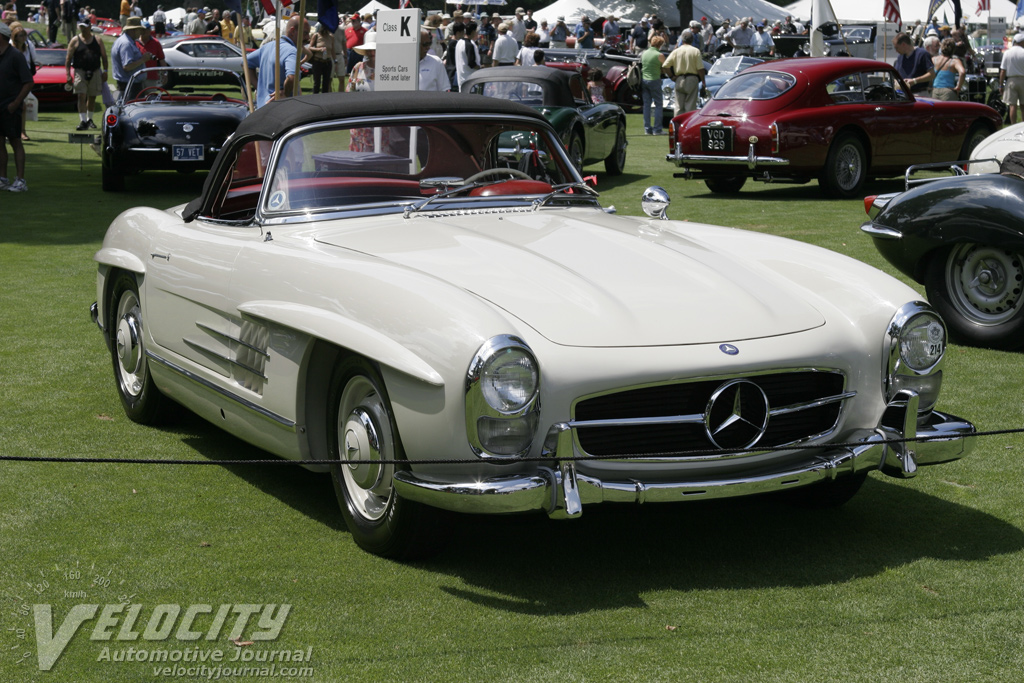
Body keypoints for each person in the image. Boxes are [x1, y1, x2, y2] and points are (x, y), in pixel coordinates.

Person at [246, 15, 308, 107]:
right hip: (281, 110)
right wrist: (286, 94)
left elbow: (246, 62)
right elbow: (291, 78)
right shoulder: (292, 51)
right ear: (292, 31)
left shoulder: (267, 47)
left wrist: (259, 88)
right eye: (305, 33)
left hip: (262, 108)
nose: (308, 37)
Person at [0, 21, 32, 191]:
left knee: (15, 142)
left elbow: (28, 82)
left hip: (11, 107)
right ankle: (2, 178)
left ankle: (20, 180)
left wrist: (16, 103)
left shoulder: (15, 56)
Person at [65, 19, 105, 129]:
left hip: (95, 71)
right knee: (81, 95)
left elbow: (104, 56)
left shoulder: (97, 40)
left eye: (85, 26)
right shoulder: (75, 40)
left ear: (89, 26)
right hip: (80, 71)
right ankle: (82, 121)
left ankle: (89, 119)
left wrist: (105, 71)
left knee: (92, 97)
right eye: (81, 26)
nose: (83, 29)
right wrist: (68, 74)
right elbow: (68, 59)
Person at [663, 30, 705, 117]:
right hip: (692, 79)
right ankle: (687, 127)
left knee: (678, 106)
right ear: (692, 40)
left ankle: (677, 127)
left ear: (682, 40)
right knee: (690, 106)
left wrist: (672, 77)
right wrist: (703, 82)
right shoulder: (695, 51)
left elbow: (665, 66)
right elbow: (700, 68)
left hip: (679, 79)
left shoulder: (676, 51)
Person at [111, 16, 147, 94]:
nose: (141, 32)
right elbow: (127, 67)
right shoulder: (126, 44)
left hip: (128, 84)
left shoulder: (124, 40)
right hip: (129, 86)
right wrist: (143, 59)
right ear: (133, 30)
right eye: (139, 30)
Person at [640, 35, 665, 135]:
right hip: (654, 80)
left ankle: (647, 129)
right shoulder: (659, 55)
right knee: (658, 104)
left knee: (647, 105)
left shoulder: (644, 53)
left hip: (644, 79)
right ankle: (657, 129)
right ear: (660, 45)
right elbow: (664, 68)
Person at [999, 32, 1024, 124]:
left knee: (1012, 105)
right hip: (1023, 80)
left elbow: (1003, 71)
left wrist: (1001, 85)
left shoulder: (1007, 53)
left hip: (1011, 80)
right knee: (1023, 106)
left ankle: (1013, 126)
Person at [418, 28, 448, 92]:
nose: (428, 47)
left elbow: (444, 90)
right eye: (425, 44)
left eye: (429, 43)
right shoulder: (402, 63)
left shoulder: (436, 62)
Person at [308, 22, 333, 94]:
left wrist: (335, 61)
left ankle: (324, 100)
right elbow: (310, 47)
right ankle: (315, 98)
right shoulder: (316, 35)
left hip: (327, 62)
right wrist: (319, 49)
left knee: (326, 82)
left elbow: (332, 50)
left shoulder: (331, 37)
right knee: (317, 83)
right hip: (318, 61)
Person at [454, 20, 479, 90]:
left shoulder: (459, 42)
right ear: (473, 31)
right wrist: (480, 68)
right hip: (470, 80)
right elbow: (471, 64)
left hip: (461, 78)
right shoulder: (469, 45)